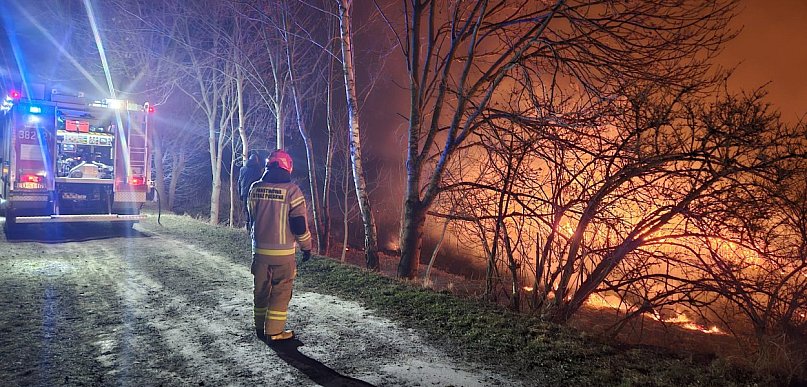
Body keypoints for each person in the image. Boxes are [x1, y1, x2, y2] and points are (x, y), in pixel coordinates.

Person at [247, 149, 312, 342]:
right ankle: (274, 332)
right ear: (287, 167)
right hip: (283, 254)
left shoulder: (255, 188)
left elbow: (251, 217)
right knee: (281, 292)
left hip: (259, 252)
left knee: (260, 290)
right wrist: (306, 246)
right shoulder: (292, 191)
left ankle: (260, 327)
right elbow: (299, 224)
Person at [238, 153, 263, 230]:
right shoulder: (258, 170)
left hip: (245, 193)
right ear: (256, 160)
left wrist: (240, 194)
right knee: (256, 211)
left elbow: (239, 182)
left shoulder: (242, 169)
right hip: (255, 193)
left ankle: (248, 227)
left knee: (247, 210)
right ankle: (254, 228)